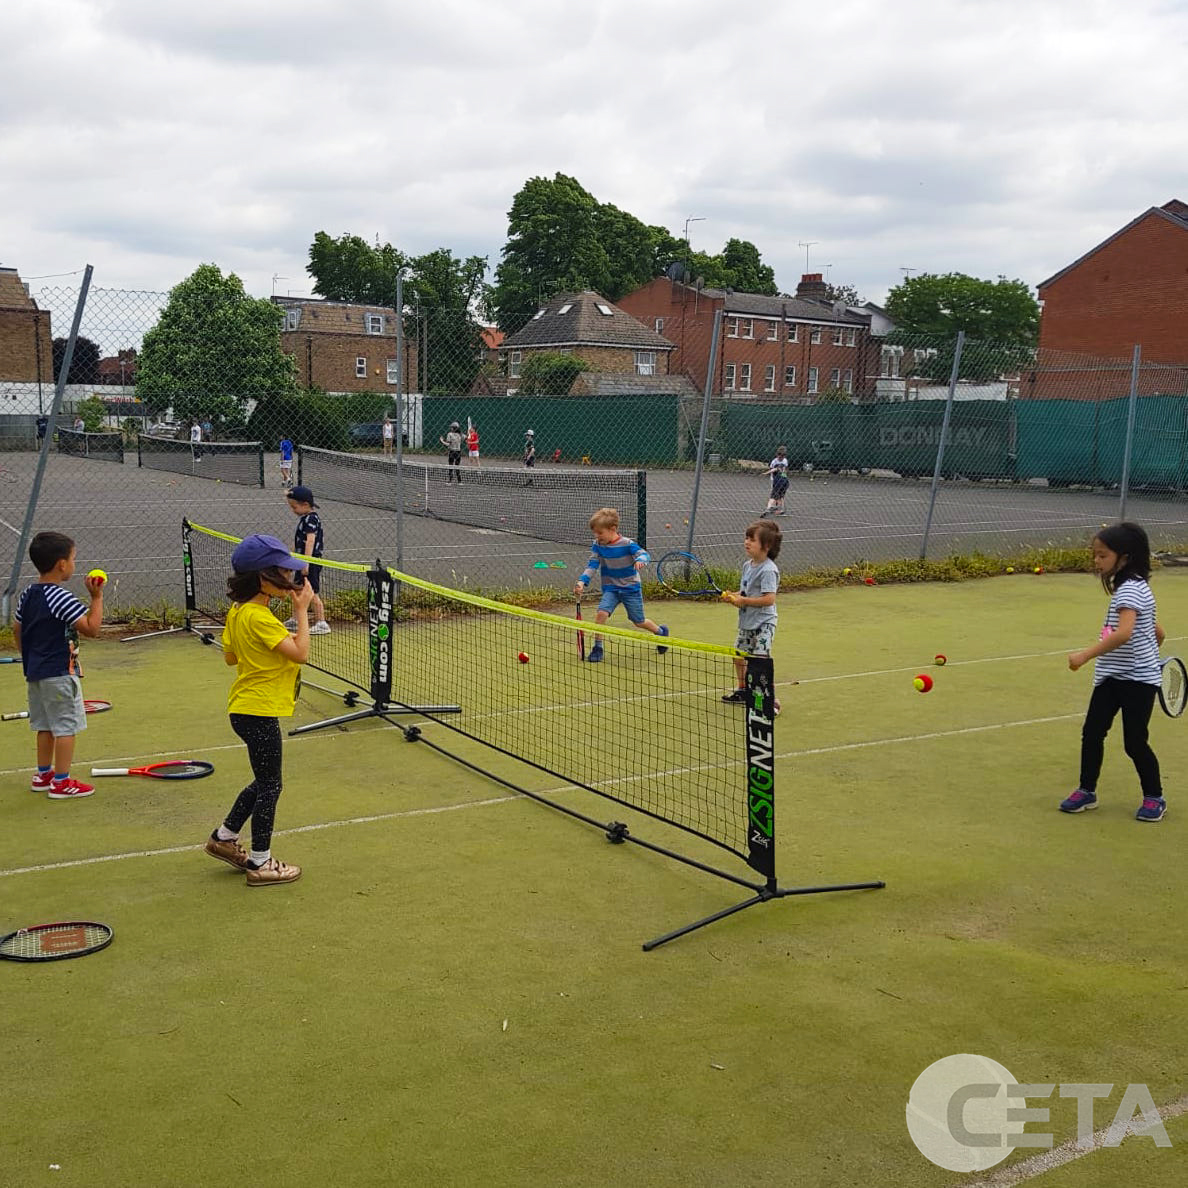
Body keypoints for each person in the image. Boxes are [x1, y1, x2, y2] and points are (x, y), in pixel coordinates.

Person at [203, 533, 313, 886]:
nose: (289, 578)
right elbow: (300, 654)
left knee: (265, 780)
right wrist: (300, 610)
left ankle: (224, 838)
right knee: (271, 786)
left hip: (245, 707)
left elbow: (230, 656)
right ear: (262, 578)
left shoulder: (240, 612)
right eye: (281, 572)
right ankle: (261, 863)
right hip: (258, 710)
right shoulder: (259, 617)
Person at [1061, 521, 1166, 821]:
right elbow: (1156, 630)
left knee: (1134, 742)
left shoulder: (1129, 591)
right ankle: (1086, 790)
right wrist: (1150, 644)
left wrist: (1084, 655)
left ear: (1125, 557)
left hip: (1137, 682)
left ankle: (1154, 797)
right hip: (1111, 678)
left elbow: (1124, 634)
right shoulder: (1133, 588)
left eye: (1102, 555)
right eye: (1095, 554)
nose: (1096, 561)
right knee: (1092, 733)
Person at [13, 531, 105, 799]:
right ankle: (62, 782)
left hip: (36, 672)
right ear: (62, 564)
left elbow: (17, 628)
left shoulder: (28, 593)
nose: (74, 564)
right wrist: (96, 598)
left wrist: (29, 655)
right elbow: (92, 629)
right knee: (66, 727)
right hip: (59, 673)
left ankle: (43, 775)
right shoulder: (61, 597)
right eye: (73, 559)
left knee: (45, 725)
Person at [574, 507, 667, 663]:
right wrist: (582, 581)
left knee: (638, 621)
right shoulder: (598, 545)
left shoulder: (627, 544)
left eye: (600, 533)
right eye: (595, 533)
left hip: (631, 589)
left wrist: (640, 561)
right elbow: (592, 565)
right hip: (611, 589)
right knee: (601, 614)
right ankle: (598, 648)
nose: (597, 536)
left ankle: (661, 632)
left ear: (613, 529)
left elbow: (644, 554)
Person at [721, 520, 782, 716]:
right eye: (746, 538)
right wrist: (735, 596)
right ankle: (744, 690)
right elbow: (746, 591)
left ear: (766, 546)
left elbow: (769, 598)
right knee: (738, 656)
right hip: (747, 622)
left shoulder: (768, 570)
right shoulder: (748, 565)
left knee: (760, 661)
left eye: (752, 539)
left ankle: (771, 700)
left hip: (764, 623)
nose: (747, 542)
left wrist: (744, 600)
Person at [285, 485, 331, 634]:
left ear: (305, 505)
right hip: (301, 561)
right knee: (298, 590)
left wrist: (306, 562)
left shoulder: (311, 519)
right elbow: (299, 541)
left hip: (311, 562)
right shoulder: (305, 519)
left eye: (294, 507)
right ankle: (295, 620)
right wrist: (289, 554)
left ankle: (321, 622)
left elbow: (310, 541)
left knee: (312, 591)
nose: (293, 510)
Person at [760, 446, 790, 517]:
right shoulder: (780, 461)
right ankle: (781, 509)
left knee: (773, 496)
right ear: (777, 455)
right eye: (780, 456)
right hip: (784, 480)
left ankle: (769, 508)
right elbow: (781, 470)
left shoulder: (780, 462)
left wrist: (766, 473)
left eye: (782, 456)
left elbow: (774, 469)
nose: (781, 457)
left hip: (778, 481)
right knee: (780, 496)